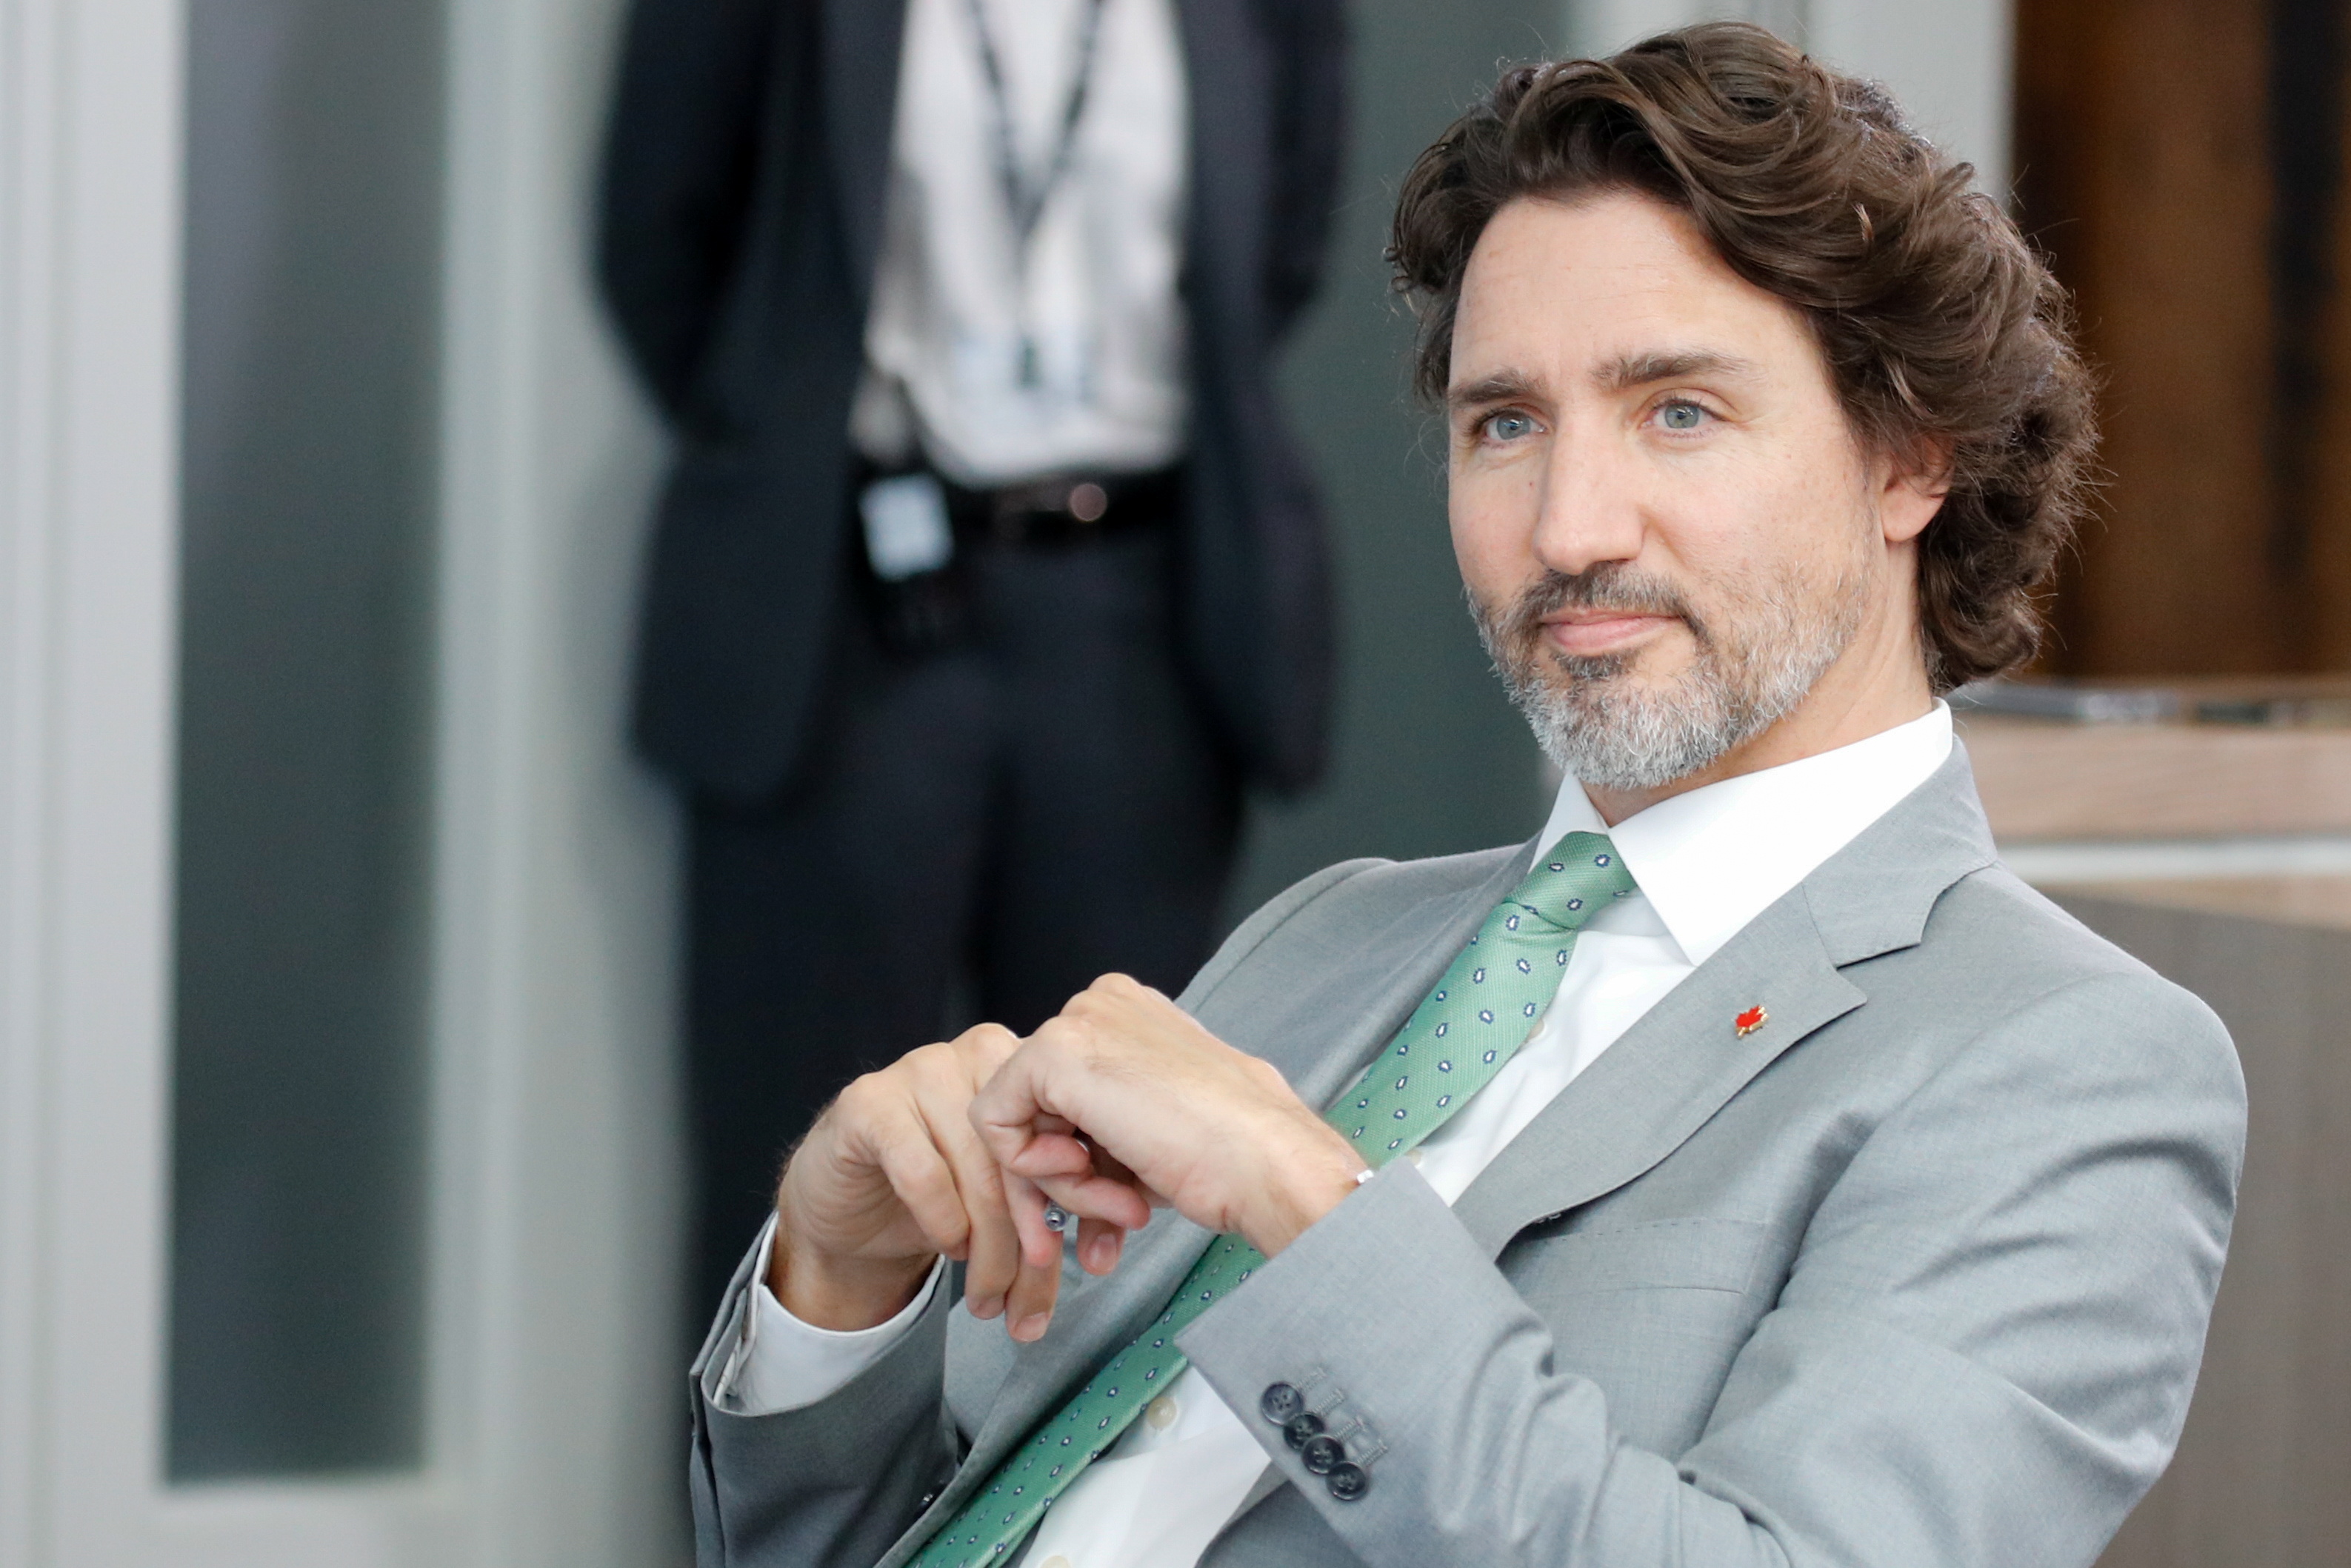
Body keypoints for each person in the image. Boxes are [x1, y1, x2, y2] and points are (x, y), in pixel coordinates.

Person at [684, 25, 2245, 1568]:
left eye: (1677, 413)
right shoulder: (1332, 936)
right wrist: (839, 1299)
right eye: (1506, 424)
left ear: (1915, 459)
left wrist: (1310, 1207)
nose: (1567, 527)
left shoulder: (2068, 1062)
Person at [596, 0, 1349, 1315]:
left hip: (1133, 606)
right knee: (805, 1168)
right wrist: (781, 448)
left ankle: (1062, 1527)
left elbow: (1272, 251)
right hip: (852, 603)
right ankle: (802, 1514)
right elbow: (660, 240)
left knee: (1118, 1183)